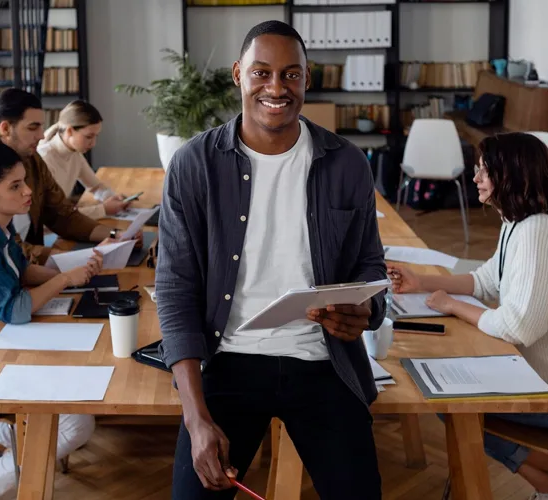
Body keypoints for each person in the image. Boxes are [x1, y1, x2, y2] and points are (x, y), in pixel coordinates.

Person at [156, 21, 386, 499]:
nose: (276, 88)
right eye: (261, 73)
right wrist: (196, 419)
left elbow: (369, 264)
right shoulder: (194, 165)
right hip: (230, 360)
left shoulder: (346, 162)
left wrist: (366, 310)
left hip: (322, 359)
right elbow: (176, 290)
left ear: (308, 78)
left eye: (291, 75)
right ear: (238, 74)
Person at [388, 133, 548, 500]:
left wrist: (452, 305)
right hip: (543, 380)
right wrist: (421, 282)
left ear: (510, 174)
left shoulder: (537, 231)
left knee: (449, 406)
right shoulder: (519, 224)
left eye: (484, 170)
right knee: (446, 402)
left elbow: (517, 327)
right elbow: (487, 281)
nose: (476, 178)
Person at [0, 125, 102, 500]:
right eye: (15, 186)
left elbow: (21, 272)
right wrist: (65, 279)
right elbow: (16, 307)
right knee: (75, 425)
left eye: (24, 181)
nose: (28, 191)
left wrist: (71, 275)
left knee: (73, 420)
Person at [0, 88, 138, 265]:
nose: (41, 135)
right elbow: (11, 251)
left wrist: (115, 235)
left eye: (41, 127)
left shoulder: (33, 161)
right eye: (33, 127)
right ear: (5, 129)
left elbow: (62, 214)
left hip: (32, 271)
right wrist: (77, 258)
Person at [37, 100, 131, 220]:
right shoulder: (45, 159)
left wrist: (111, 197)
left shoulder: (74, 153)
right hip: (47, 233)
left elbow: (95, 186)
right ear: (70, 131)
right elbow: (53, 215)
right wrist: (103, 209)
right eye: (89, 136)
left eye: (96, 136)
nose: (93, 143)